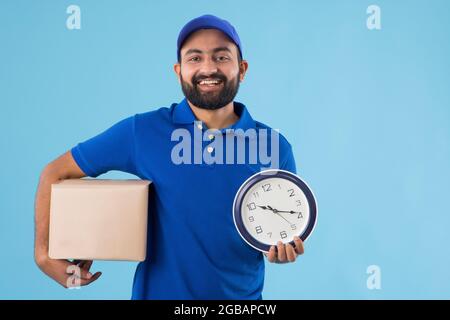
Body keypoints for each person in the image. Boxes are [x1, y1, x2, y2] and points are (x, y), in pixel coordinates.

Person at [34, 14, 305, 300]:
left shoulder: (274, 147)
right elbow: (54, 172)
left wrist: (281, 249)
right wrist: (43, 254)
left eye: (221, 57)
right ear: (179, 71)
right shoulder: (142, 132)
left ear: (242, 68)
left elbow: (283, 228)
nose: (208, 68)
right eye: (195, 58)